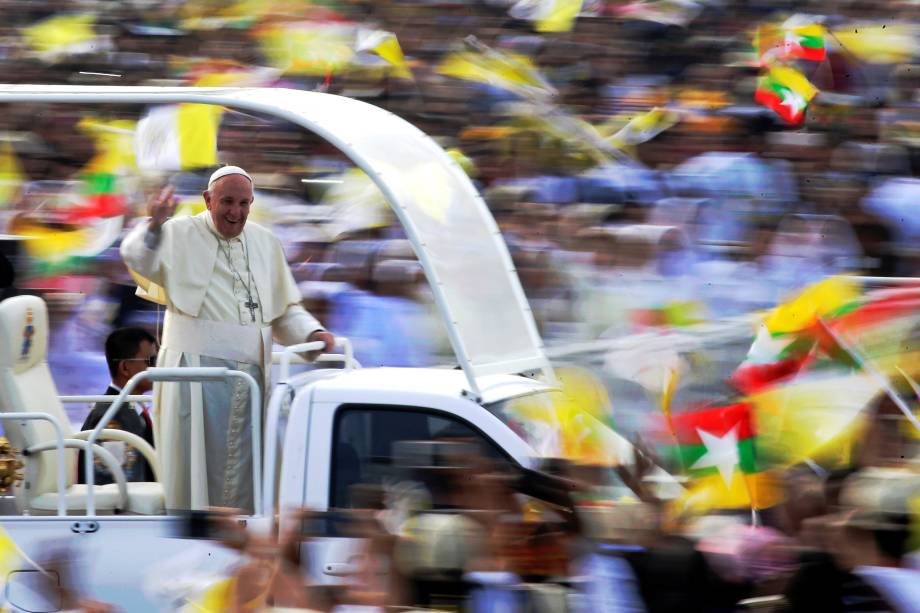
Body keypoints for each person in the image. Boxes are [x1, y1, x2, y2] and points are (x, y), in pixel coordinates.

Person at [120, 166, 335, 512]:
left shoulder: (266, 242)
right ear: (208, 200)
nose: (236, 212)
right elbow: (137, 257)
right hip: (195, 376)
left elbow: (282, 310)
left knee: (250, 478)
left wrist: (313, 332)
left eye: (244, 203)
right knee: (198, 475)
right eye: (227, 202)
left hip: (251, 380)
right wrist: (154, 225)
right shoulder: (177, 233)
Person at [78, 327, 158, 485]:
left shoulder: (129, 410)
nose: (157, 368)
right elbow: (114, 485)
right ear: (125, 368)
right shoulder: (113, 420)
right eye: (151, 361)